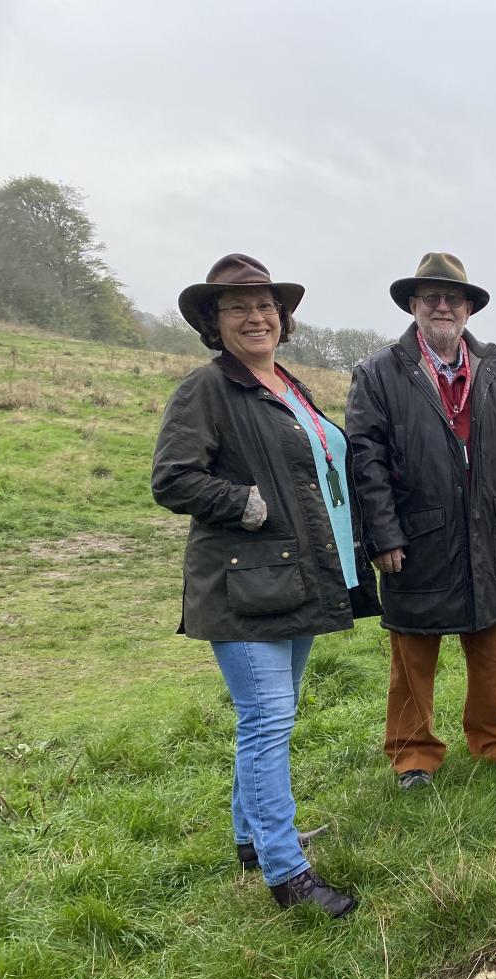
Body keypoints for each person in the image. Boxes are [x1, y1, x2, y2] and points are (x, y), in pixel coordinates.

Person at [152, 253, 379, 918]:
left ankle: (253, 838)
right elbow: (172, 478)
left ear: (283, 317)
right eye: (237, 307)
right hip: (240, 584)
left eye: (265, 305)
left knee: (268, 719)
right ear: (213, 322)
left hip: (296, 579)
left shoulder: (289, 386)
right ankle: (288, 876)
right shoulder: (207, 389)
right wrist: (243, 502)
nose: (255, 316)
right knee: (268, 721)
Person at [346, 252, 496, 789]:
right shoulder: (377, 372)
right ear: (413, 305)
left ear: (468, 308)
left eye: (453, 297)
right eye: (431, 296)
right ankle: (413, 754)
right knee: (413, 650)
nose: (442, 305)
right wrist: (382, 534)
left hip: (491, 528)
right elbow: (364, 460)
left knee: (490, 644)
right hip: (415, 534)